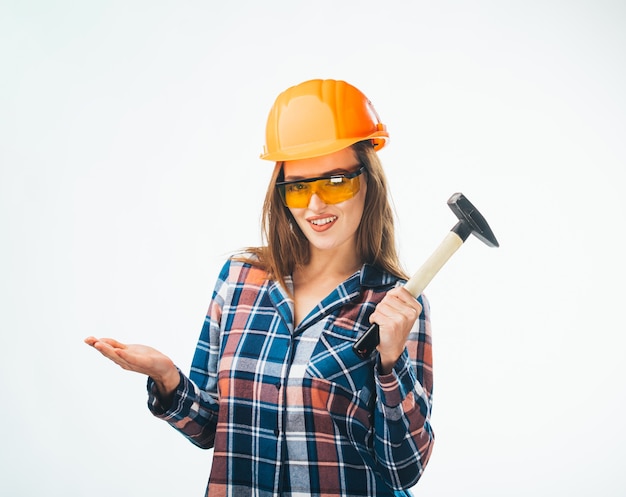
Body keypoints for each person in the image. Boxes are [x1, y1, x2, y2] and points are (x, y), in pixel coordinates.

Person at [85, 78, 434, 496]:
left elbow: (404, 470)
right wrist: (167, 378)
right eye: (299, 187)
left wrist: (391, 365)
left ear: (369, 182)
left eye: (335, 182)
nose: (316, 205)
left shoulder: (397, 305)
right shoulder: (240, 279)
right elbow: (209, 427)